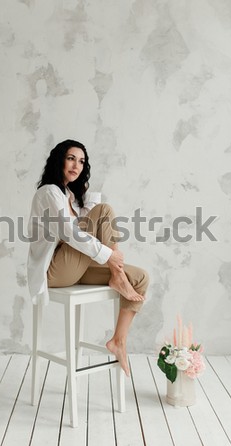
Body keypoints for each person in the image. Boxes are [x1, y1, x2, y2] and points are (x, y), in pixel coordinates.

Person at [27, 139, 149, 376]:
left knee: (140, 278)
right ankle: (117, 275)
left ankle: (118, 341)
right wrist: (110, 256)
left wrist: (86, 202)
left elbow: (91, 230)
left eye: (81, 161)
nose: (76, 165)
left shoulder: (71, 195)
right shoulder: (48, 192)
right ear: (59, 159)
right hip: (53, 271)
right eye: (71, 158)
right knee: (104, 211)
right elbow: (70, 234)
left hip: (75, 267)